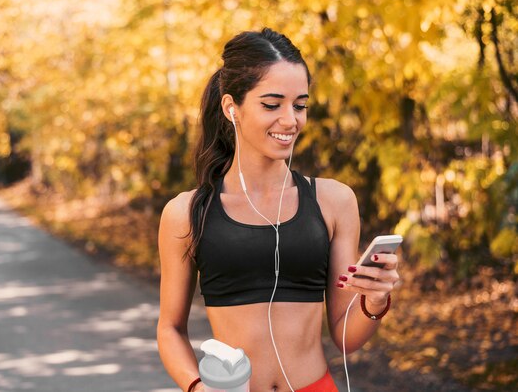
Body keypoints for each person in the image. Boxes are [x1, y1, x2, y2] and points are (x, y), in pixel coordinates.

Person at [157, 28, 400, 392]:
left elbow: (346, 336)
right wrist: (197, 387)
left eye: (299, 105)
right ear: (231, 108)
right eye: (272, 105)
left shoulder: (333, 201)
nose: (291, 120)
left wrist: (376, 300)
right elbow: (170, 329)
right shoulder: (187, 213)